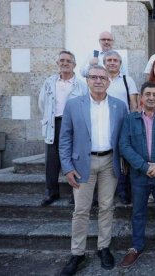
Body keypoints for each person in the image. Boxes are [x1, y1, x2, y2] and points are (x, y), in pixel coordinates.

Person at [59, 65, 127, 276]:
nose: (98, 80)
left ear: (108, 81)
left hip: (109, 162)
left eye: (102, 77)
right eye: (94, 77)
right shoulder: (73, 105)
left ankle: (103, 247)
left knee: (107, 206)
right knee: (81, 209)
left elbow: (123, 137)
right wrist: (67, 167)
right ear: (87, 80)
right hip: (82, 165)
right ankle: (77, 253)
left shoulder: (119, 106)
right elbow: (65, 138)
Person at [119, 82, 155, 269]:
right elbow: (124, 146)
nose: (151, 97)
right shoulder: (130, 119)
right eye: (148, 94)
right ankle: (136, 246)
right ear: (141, 98)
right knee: (138, 212)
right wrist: (144, 167)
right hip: (139, 175)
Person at [39, 50, 88, 207]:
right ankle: (51, 192)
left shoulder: (81, 85)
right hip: (54, 123)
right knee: (52, 160)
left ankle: (75, 193)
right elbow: (42, 103)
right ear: (57, 63)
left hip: (73, 125)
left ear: (74, 64)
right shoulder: (49, 83)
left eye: (68, 61)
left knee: (74, 159)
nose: (65, 63)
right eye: (62, 60)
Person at [103, 50, 139, 205]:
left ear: (120, 63)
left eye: (115, 60)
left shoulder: (127, 80)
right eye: (109, 60)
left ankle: (123, 190)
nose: (112, 62)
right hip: (103, 123)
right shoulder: (100, 79)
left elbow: (134, 103)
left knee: (123, 157)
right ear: (104, 63)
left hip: (123, 124)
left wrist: (133, 123)